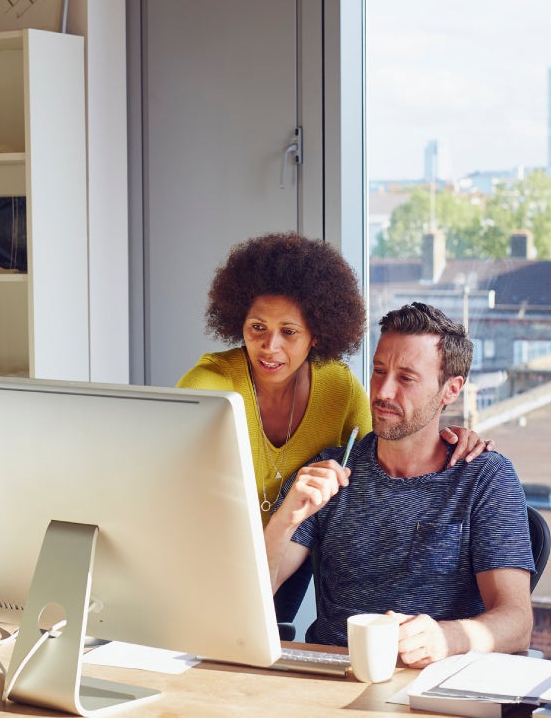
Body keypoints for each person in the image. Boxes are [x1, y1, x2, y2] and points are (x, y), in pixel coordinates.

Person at [177, 232, 493, 629]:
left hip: (280, 569)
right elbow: (171, 492)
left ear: (316, 335)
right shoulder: (208, 388)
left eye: (289, 332)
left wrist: (451, 433)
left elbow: (386, 443)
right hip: (208, 561)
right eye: (257, 327)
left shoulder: (338, 388)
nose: (269, 346)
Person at [263, 302, 534, 666]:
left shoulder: (484, 478)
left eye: (406, 378)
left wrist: (447, 638)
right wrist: (286, 519)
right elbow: (254, 593)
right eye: (378, 371)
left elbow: (518, 622)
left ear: (451, 389)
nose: (383, 392)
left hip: (431, 678)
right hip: (332, 672)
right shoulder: (329, 471)